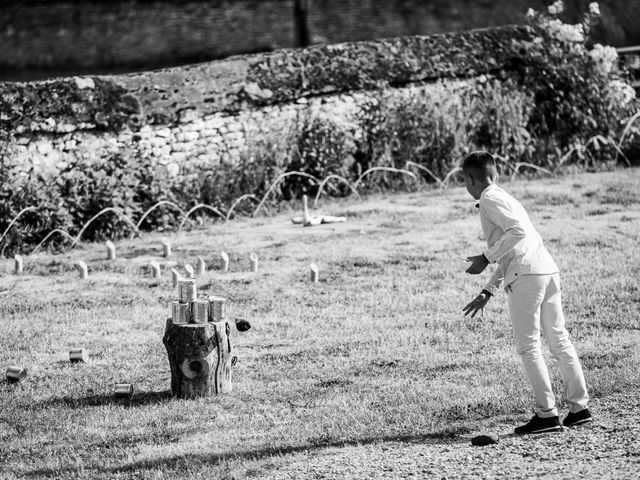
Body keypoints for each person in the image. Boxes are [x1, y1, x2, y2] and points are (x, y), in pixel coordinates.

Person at [461, 151, 591, 435]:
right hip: (546, 270)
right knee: (559, 340)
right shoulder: (507, 198)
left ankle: (547, 414)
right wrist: (488, 291)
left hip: (527, 276)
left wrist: (486, 256)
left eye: (465, 181)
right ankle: (579, 409)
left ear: (470, 179)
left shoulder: (489, 200)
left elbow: (517, 234)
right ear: (495, 174)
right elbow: (515, 245)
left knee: (529, 346)